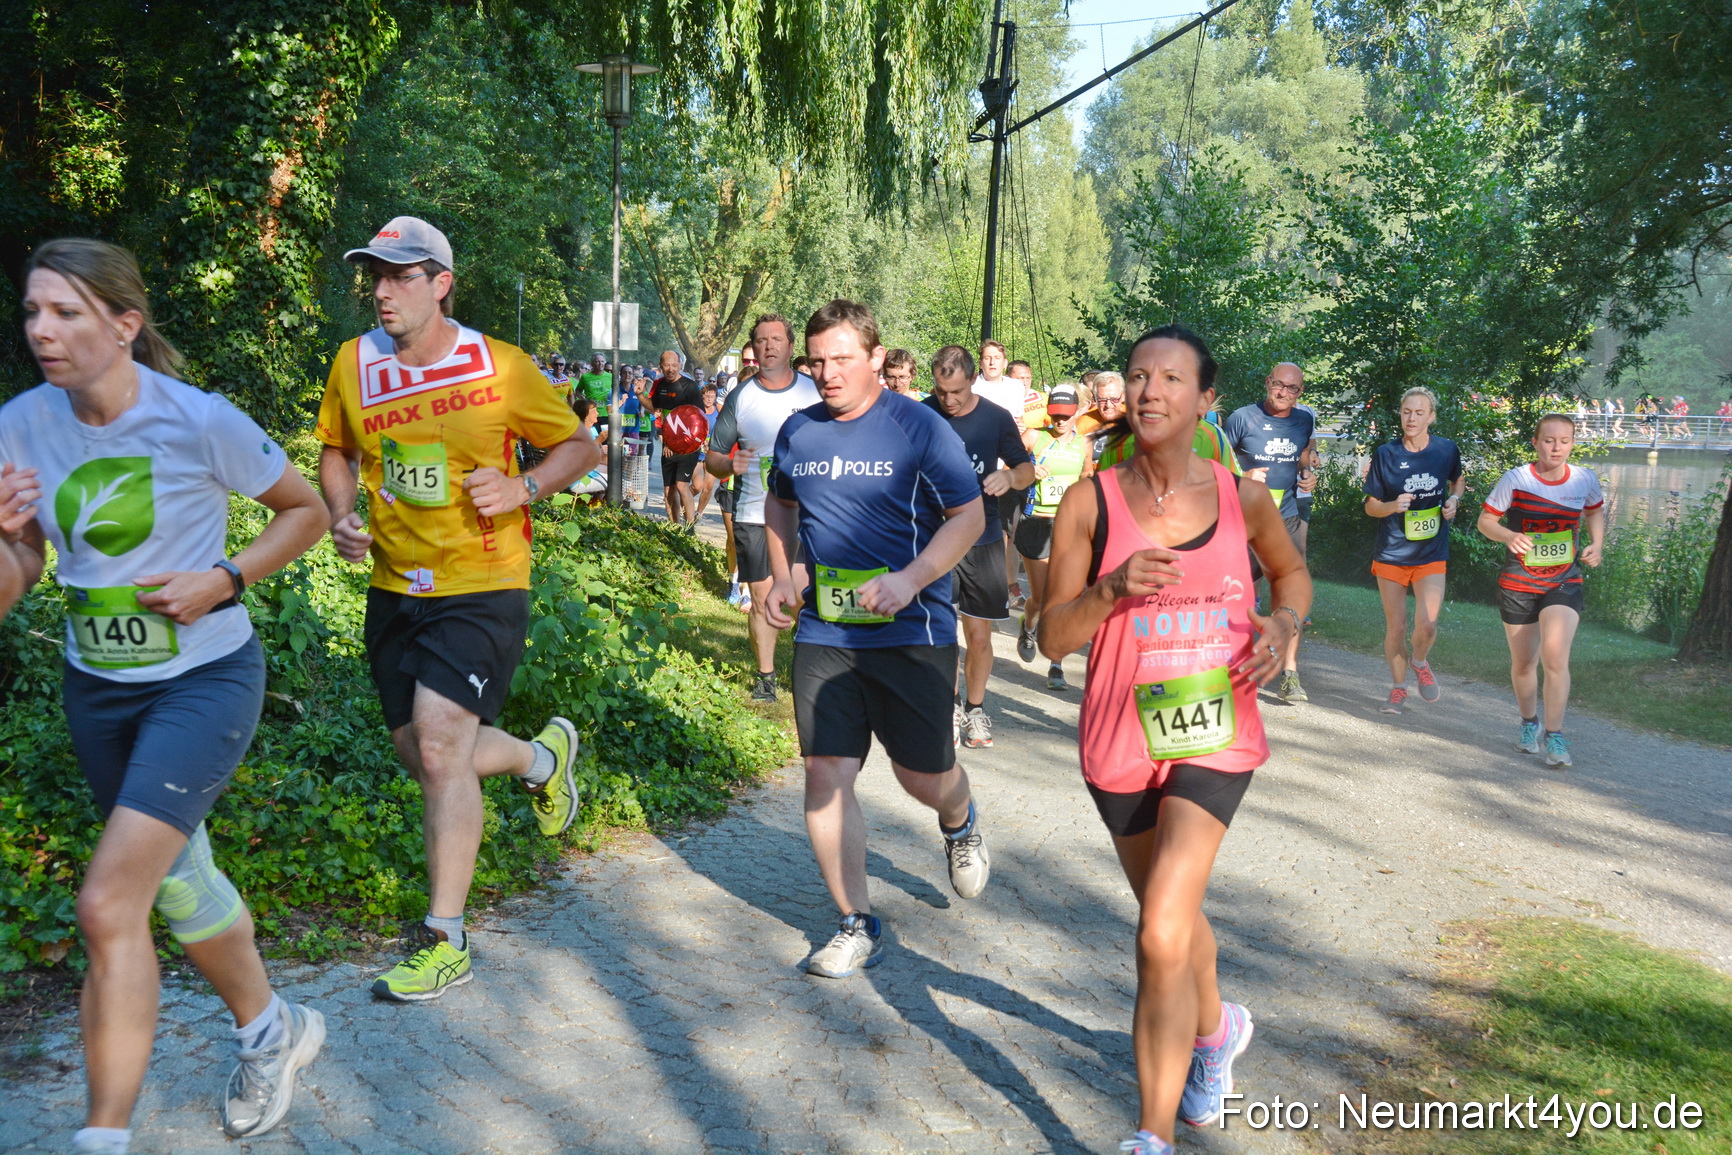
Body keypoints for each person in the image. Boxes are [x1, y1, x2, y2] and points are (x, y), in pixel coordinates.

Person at [0, 238, 333, 1154]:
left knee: (109, 902)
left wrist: (223, 579)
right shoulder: (21, 423)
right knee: (178, 882)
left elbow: (305, 510)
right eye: (32, 311)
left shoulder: (197, 418)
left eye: (65, 312)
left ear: (124, 324)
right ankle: (272, 1030)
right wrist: (8, 538)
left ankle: (103, 1137)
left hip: (204, 680)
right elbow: (22, 571)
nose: (41, 330)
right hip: (97, 688)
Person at [1037, 324, 1309, 1155]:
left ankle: (1150, 1136)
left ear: (1205, 400)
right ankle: (1217, 1029)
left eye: (1170, 379)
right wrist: (1112, 588)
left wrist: (1283, 624)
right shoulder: (1089, 502)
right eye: (1137, 376)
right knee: (1173, 915)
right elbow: (1051, 637)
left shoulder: (1243, 497)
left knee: (1159, 928)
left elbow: (1291, 572)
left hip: (1214, 728)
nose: (1149, 390)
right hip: (1121, 736)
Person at [315, 216, 601, 1001]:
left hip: (482, 579)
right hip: (393, 586)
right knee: (424, 756)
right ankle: (541, 759)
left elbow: (581, 447)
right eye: (376, 275)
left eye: (400, 276)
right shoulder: (354, 363)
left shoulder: (499, 366)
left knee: (442, 747)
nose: (382, 291)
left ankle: (445, 938)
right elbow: (336, 449)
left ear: (441, 284)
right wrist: (341, 510)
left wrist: (523, 486)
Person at [763, 300, 991, 978]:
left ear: (874, 357)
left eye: (841, 358)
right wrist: (783, 575)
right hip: (826, 629)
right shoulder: (799, 431)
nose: (827, 373)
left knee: (922, 777)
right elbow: (780, 502)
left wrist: (910, 579)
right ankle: (855, 922)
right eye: (816, 361)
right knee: (825, 772)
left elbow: (970, 516)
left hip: (911, 629)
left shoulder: (917, 426)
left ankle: (959, 818)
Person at [1476, 414, 1605, 768]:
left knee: (1554, 656)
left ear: (1573, 443)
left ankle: (1555, 735)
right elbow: (1485, 521)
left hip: (1563, 580)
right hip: (1519, 582)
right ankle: (1528, 723)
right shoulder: (1517, 479)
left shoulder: (1584, 479)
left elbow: (1595, 511)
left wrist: (1597, 544)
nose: (1556, 447)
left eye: (1564, 441)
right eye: (1549, 440)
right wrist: (1509, 535)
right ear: (1535, 443)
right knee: (1524, 663)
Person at [705, 314, 821, 700]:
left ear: (790, 346)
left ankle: (809, 673)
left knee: (805, 598)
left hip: (806, 514)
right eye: (761, 340)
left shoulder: (814, 392)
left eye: (776, 339)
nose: (768, 346)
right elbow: (713, 457)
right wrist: (730, 464)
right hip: (753, 513)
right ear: (754, 348)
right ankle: (766, 678)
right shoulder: (742, 397)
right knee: (762, 599)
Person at [924, 346, 1035, 748]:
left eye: (956, 391)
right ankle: (948, 707)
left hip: (983, 537)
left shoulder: (996, 417)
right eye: (941, 391)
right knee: (940, 631)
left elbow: (1025, 469)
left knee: (978, 633)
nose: (948, 400)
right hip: (935, 538)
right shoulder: (922, 414)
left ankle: (975, 709)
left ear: (973, 380)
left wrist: (1008, 479)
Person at [1362, 388, 1465, 713]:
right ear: (1400, 413)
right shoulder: (1386, 454)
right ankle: (1398, 689)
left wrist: (1454, 500)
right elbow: (1371, 506)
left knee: (1428, 624)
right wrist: (1392, 505)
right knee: (1397, 627)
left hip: (1431, 552)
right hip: (1392, 552)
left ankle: (1419, 661)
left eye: (1419, 413)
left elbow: (1458, 481)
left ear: (1431, 417)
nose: (1412, 418)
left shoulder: (1445, 450)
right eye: (1407, 411)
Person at [1222, 362, 1316, 703]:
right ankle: (1226, 661)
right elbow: (1217, 463)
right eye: (1278, 385)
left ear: (1300, 392)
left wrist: (1307, 472)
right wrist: (1242, 478)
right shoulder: (1242, 418)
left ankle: (1289, 674)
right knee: (1232, 594)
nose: (1283, 393)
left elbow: (1303, 454)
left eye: (1292, 388)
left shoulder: (1303, 420)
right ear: (1267, 383)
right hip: (1245, 522)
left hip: (1285, 519)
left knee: (1289, 596)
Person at [1013, 383, 1093, 691]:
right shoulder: (1034, 437)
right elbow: (1008, 470)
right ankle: (1028, 624)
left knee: (1062, 597)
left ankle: (1056, 663)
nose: (1060, 421)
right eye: (1055, 415)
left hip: (1068, 527)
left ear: (1077, 413)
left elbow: (1086, 475)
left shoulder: (1084, 444)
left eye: (1066, 415)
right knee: (1043, 598)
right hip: (1036, 524)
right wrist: (1028, 471)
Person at [650, 350, 704, 526]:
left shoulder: (689, 387)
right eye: (667, 365)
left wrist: (679, 442)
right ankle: (674, 526)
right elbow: (655, 409)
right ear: (661, 366)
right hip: (668, 446)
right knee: (669, 489)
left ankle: (689, 527)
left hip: (687, 446)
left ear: (680, 365)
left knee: (682, 485)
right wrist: (640, 395)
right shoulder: (660, 386)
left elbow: (698, 418)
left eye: (674, 365)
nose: (670, 369)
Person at [693, 383, 724, 520]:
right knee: (697, 486)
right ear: (702, 396)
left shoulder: (719, 412)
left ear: (716, 397)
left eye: (712, 396)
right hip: (697, 453)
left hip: (712, 453)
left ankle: (698, 513)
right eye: (707, 396)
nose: (709, 399)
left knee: (709, 486)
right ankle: (683, 501)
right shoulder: (697, 411)